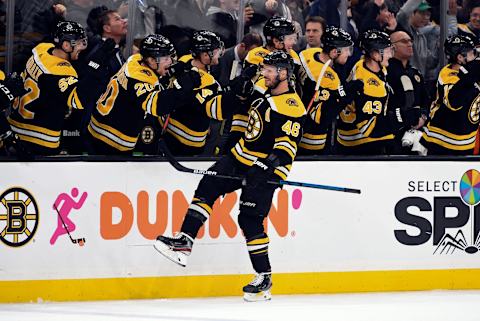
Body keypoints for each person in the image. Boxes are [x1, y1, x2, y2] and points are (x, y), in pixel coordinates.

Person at [154, 51, 306, 302]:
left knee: (249, 220)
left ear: (283, 74)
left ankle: (263, 276)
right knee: (207, 186)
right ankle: (183, 242)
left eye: (269, 70)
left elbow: (286, 149)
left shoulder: (291, 106)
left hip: (264, 169)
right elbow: (235, 103)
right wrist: (240, 84)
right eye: (263, 69)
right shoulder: (263, 88)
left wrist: (265, 168)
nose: (264, 74)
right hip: (239, 156)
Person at [86, 34, 200, 155]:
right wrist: (181, 87)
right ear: (151, 60)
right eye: (166, 58)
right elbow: (157, 106)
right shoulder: (138, 79)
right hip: (111, 139)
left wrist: (174, 69)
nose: (171, 61)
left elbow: (153, 77)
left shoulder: (135, 59)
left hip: (99, 126)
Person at [7, 21, 97, 156]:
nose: (82, 47)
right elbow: (78, 101)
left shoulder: (42, 49)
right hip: (41, 138)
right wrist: (95, 71)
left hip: (15, 126)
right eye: (78, 43)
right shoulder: (61, 71)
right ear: (66, 45)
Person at [160, 30, 252, 156]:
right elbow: (218, 111)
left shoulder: (186, 61)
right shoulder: (203, 80)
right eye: (215, 51)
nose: (218, 53)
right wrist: (236, 94)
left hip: (170, 133)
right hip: (188, 143)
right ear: (204, 55)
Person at [336, 29, 395, 155]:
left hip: (347, 134)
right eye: (387, 51)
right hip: (360, 142)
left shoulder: (363, 64)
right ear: (375, 54)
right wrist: (402, 117)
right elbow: (370, 129)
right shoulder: (369, 85)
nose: (390, 55)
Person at [419, 34, 480, 155]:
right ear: (460, 57)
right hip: (441, 140)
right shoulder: (448, 75)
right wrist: (471, 75)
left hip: (465, 139)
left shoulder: (472, 71)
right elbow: (454, 102)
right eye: (472, 53)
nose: (476, 56)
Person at [298, 26, 354, 155]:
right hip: (313, 139)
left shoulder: (308, 54)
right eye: (346, 50)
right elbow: (332, 109)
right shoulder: (328, 78)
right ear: (334, 52)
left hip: (298, 130)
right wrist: (349, 92)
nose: (349, 54)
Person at [387, 30, 429, 154]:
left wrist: (423, 117)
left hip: (417, 130)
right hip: (393, 131)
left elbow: (426, 100)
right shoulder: (386, 71)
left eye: (410, 41)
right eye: (404, 41)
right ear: (392, 46)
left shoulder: (415, 72)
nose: (409, 44)